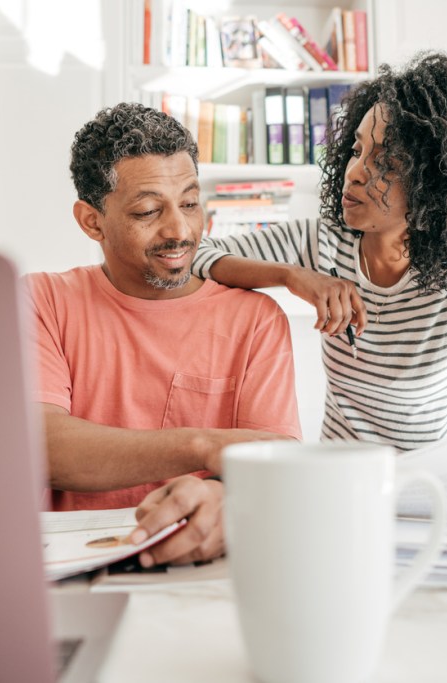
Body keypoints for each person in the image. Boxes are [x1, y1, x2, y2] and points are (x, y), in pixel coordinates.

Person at [192, 52, 447, 533]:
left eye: (386, 163)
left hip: (445, 496)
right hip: (344, 490)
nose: (355, 172)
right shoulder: (322, 241)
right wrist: (291, 276)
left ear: (441, 182)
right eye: (356, 150)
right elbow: (200, 254)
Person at [26, 103, 301, 566]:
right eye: (149, 211)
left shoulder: (257, 320)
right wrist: (203, 445)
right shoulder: (43, 300)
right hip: (70, 565)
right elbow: (41, 444)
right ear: (92, 221)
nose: (180, 230)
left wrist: (218, 502)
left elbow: (273, 465)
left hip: (208, 564)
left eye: (191, 204)